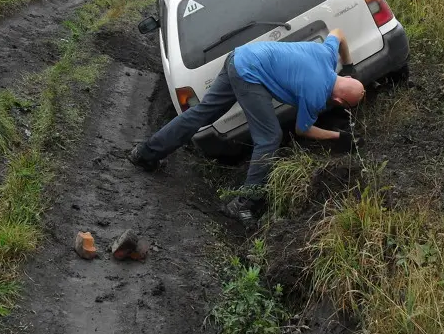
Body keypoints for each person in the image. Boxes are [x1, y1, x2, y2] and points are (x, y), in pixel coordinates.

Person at [128, 28, 365, 225]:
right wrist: (337, 137)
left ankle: (145, 153)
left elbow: (338, 33)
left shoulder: (326, 54)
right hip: (249, 74)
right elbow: (303, 129)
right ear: (338, 102)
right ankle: (242, 203)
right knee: (270, 137)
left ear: (347, 78)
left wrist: (350, 65)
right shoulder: (316, 93)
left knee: (202, 114)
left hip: (239, 57)